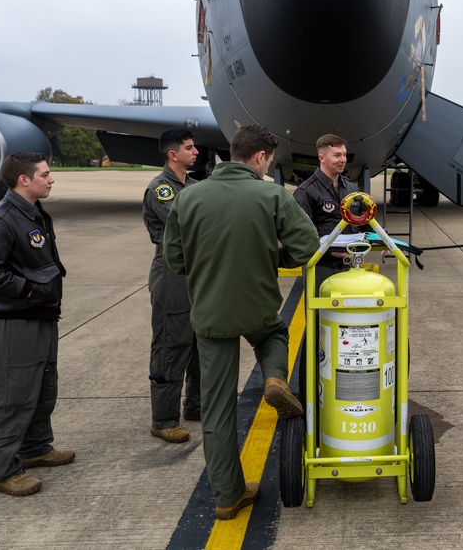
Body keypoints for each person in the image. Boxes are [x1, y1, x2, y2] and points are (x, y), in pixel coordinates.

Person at [163, 124, 318, 520]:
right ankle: (274, 377)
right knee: (273, 334)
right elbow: (307, 247)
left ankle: (228, 496)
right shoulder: (271, 194)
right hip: (258, 306)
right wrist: (271, 259)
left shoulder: (188, 197)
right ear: (261, 157)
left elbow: (176, 261)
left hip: (211, 313)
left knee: (216, 411)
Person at [0, 153, 74, 496]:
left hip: (39, 316)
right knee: (12, 397)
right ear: (23, 180)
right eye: (44, 174)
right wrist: (26, 289)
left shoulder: (33, 212)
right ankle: (0, 471)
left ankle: (35, 449)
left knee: (42, 388)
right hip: (14, 323)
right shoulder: (0, 219)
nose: (51, 179)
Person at [142, 128, 201, 443]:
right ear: (172, 154)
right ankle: (164, 420)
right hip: (172, 274)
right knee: (170, 344)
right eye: (189, 148)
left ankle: (196, 406)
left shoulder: (191, 185)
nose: (196, 152)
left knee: (198, 343)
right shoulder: (161, 189)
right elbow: (187, 220)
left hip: (195, 272)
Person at [293, 133, 363, 290]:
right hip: (322, 266)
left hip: (352, 264)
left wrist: (381, 236)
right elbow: (300, 234)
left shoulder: (352, 188)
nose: (343, 159)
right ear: (322, 158)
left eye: (344, 155)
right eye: (337, 155)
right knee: (320, 312)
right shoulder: (306, 191)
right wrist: (329, 250)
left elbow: (363, 221)